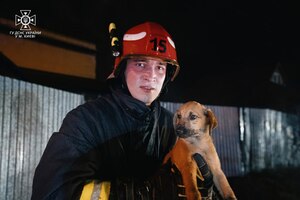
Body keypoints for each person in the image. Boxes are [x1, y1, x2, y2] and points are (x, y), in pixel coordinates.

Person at [31, 21, 214, 200]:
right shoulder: (85, 121)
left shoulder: (171, 126)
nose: (151, 76)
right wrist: (139, 194)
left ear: (167, 76)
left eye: (159, 67)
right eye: (140, 64)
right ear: (122, 69)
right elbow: (52, 192)